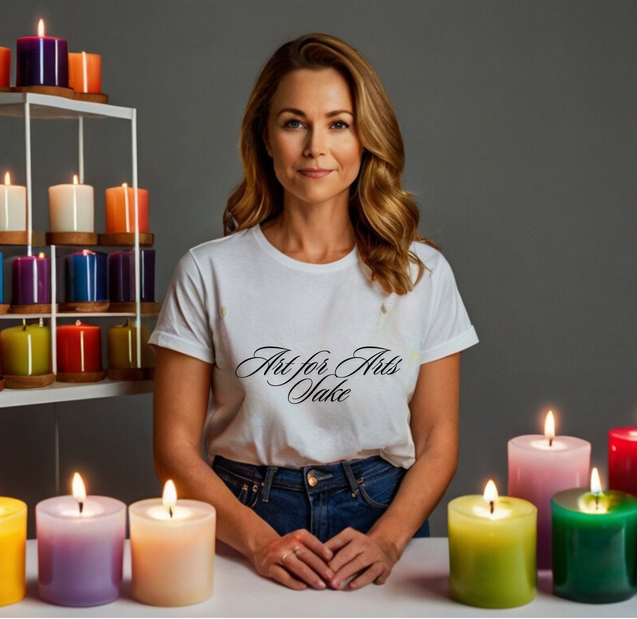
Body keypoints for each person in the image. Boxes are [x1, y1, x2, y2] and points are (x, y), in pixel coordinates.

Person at [150, 33, 477, 592]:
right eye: (294, 122)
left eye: (339, 123)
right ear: (266, 137)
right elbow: (173, 449)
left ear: (365, 138)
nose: (315, 147)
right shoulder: (208, 271)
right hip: (243, 517)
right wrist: (256, 541)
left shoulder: (422, 273)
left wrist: (390, 538)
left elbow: (438, 439)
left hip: (383, 515)